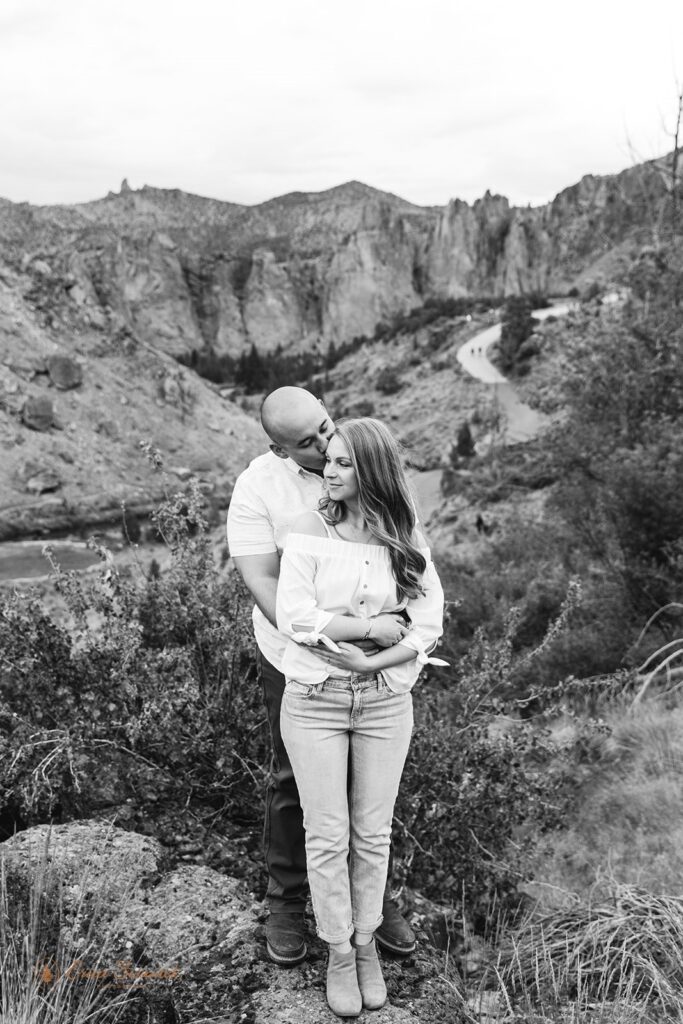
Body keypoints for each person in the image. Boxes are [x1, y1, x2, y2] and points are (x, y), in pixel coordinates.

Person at [226, 387, 417, 967]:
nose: (325, 445)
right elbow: (265, 586)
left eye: (326, 428)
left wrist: (395, 638)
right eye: (306, 444)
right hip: (297, 658)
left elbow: (408, 554)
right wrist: (357, 632)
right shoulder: (258, 488)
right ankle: (286, 901)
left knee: (371, 786)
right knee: (294, 779)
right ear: (279, 448)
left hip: (380, 659)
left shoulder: (365, 458)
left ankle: (371, 905)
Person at [276, 417, 446, 1017]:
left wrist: (376, 664)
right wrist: (372, 628)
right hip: (315, 700)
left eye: (346, 462)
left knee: (373, 836)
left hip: (383, 702)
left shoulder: (403, 536)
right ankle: (338, 953)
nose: (331, 468)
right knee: (327, 835)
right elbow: (294, 616)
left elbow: (426, 628)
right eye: (331, 459)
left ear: (371, 470)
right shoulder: (305, 529)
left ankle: (366, 943)